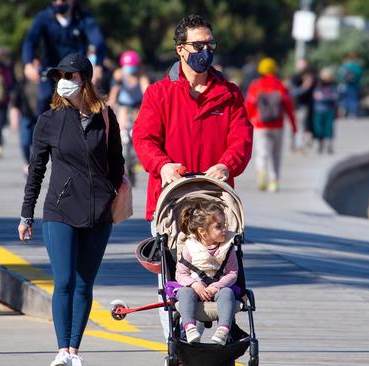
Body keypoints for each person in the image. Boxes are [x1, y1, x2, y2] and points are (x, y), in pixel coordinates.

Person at [132, 13, 252, 339]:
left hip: (215, 208)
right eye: (198, 44)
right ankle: (180, 344)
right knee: (173, 284)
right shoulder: (159, 93)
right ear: (180, 50)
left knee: (218, 278)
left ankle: (216, 334)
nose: (206, 50)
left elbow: (242, 139)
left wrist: (227, 164)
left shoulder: (229, 94)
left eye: (210, 44)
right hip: (171, 207)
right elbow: (143, 139)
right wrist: (162, 165)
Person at [17, 53, 124, 366]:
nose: (63, 82)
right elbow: (36, 169)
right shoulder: (49, 120)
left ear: (85, 80)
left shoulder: (105, 116)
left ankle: (75, 351)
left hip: (98, 214)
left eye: (70, 76)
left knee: (84, 283)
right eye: (59, 76)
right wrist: (26, 214)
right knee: (63, 281)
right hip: (59, 212)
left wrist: (110, 194)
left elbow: (116, 162)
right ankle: (61, 349)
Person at [22, 0, 107, 117]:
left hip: (76, 71)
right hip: (51, 70)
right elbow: (30, 42)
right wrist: (28, 63)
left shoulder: (84, 19)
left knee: (89, 104)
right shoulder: (43, 18)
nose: (59, 2)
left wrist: (98, 65)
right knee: (44, 99)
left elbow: (99, 43)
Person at [175, 201, 238, 346]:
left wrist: (217, 286)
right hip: (195, 288)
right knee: (184, 293)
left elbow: (232, 273)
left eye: (225, 225)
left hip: (219, 288)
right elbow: (181, 274)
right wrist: (195, 285)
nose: (224, 229)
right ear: (202, 231)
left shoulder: (228, 248)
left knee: (227, 293)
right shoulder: (190, 247)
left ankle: (223, 329)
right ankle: (189, 327)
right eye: (218, 227)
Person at [244, 57, 297, 192]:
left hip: (260, 125)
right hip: (278, 125)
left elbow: (249, 105)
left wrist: (245, 123)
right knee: (276, 154)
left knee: (261, 152)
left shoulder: (256, 85)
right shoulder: (280, 85)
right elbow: (289, 106)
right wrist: (293, 125)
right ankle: (274, 181)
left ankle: (261, 172)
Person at [108, 50, 150, 185]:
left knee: (139, 127)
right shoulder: (119, 74)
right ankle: (124, 146)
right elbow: (114, 92)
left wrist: (149, 106)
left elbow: (147, 91)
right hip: (124, 104)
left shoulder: (141, 75)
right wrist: (109, 106)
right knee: (121, 127)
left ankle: (136, 150)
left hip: (138, 104)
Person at [290, 58, 317, 149]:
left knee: (306, 123)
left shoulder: (312, 76)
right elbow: (293, 92)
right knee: (300, 124)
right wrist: (304, 87)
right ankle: (299, 143)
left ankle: (303, 141)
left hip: (309, 104)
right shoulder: (296, 77)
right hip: (299, 104)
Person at [312, 67, 339, 154]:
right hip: (318, 109)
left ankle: (329, 145)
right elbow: (315, 96)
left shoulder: (333, 86)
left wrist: (324, 97)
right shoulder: (317, 85)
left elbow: (335, 97)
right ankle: (320, 144)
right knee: (318, 128)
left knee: (329, 128)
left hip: (329, 109)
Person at [337, 54, 363, 118]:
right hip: (354, 86)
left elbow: (339, 75)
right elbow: (360, 75)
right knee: (353, 99)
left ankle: (346, 112)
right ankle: (352, 113)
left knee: (345, 99)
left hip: (346, 85)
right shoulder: (357, 67)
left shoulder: (344, 66)